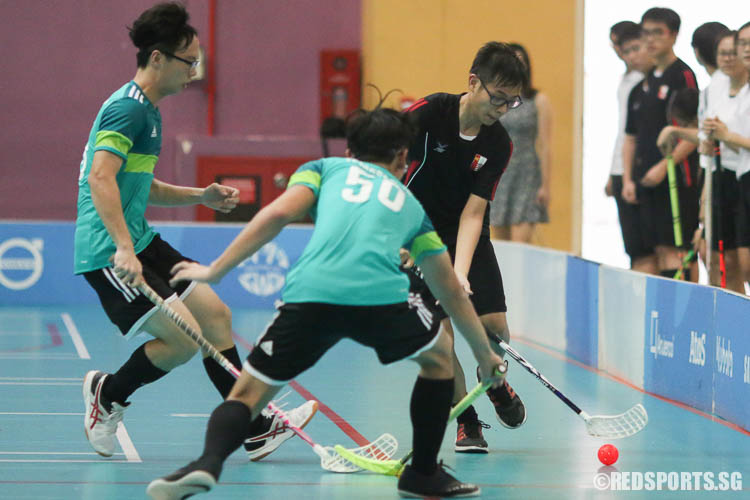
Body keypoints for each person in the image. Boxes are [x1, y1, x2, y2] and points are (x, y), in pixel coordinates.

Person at [146, 107, 506, 499]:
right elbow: (451, 290)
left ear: (350, 151)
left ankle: (207, 463)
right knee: (438, 357)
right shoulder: (410, 206)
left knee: (246, 395)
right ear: (404, 158)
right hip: (379, 296)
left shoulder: (323, 169)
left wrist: (215, 269)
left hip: (312, 293)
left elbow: (278, 214)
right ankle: (421, 473)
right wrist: (484, 355)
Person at [74, 2, 315, 461]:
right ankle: (108, 394)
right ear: (159, 58)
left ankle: (255, 428)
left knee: (216, 316)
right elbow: (100, 178)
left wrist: (199, 196)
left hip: (139, 239)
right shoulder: (128, 110)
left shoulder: (146, 109)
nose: (195, 72)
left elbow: (140, 188)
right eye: (190, 62)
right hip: (109, 250)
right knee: (182, 341)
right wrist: (124, 248)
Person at [403, 41, 527, 454]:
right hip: (413, 234)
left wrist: (458, 272)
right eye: (498, 97)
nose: (503, 108)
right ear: (473, 83)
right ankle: (467, 420)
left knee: (493, 330)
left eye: (512, 102)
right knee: (440, 338)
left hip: (464, 233)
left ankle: (492, 379)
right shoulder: (428, 113)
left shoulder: (499, 143)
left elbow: (474, 213)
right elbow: (384, 163)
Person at [661, 30, 748, 291]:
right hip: (718, 176)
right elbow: (706, 135)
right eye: (723, 53)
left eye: (735, 51)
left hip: (738, 174)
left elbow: (731, 135)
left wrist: (725, 136)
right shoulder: (714, 88)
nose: (729, 58)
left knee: (742, 261)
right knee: (720, 260)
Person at [622, 7, 700, 279]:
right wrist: (629, 179)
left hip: (676, 177)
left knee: (677, 250)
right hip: (647, 182)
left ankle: (687, 315)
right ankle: (663, 316)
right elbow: (630, 137)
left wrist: (664, 168)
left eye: (658, 33)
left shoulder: (683, 75)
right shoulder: (640, 86)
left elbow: (694, 131)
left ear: (674, 35)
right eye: (646, 33)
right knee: (655, 250)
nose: (651, 40)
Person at [489, 43, 552, 243]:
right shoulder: (496, 99)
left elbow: (546, 145)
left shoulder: (538, 100)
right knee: (499, 243)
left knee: (521, 242)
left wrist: (546, 186)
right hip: (500, 172)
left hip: (527, 174)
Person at [702, 22, 750, 286]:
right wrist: (715, 139)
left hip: (739, 177)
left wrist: (726, 136)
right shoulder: (734, 93)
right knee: (741, 264)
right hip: (739, 176)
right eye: (742, 43)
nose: (744, 51)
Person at [605, 22, 652, 267]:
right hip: (621, 168)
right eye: (618, 46)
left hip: (634, 170)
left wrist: (628, 175)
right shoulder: (626, 80)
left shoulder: (643, 81)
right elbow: (623, 131)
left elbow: (635, 136)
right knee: (634, 247)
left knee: (644, 248)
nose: (622, 52)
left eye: (633, 48)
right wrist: (614, 173)